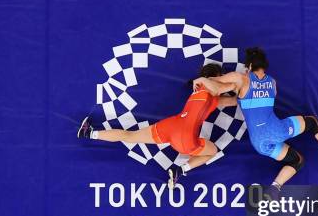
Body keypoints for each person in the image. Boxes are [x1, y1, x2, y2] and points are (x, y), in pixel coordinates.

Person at [194, 47, 318, 199]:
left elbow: (216, 87)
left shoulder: (240, 78)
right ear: (264, 65)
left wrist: (202, 81)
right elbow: (248, 99)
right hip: (276, 130)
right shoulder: (272, 83)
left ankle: (274, 190)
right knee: (312, 123)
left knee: (297, 159)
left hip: (259, 144)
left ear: (248, 66)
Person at [78, 64, 237, 188]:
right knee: (213, 151)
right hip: (185, 137)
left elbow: (233, 101)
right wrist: (244, 84)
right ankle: (180, 170)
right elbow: (230, 88)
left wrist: (203, 81)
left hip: (171, 125)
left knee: (130, 136)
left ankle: (89, 133)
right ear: (216, 76)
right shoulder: (212, 87)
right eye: (222, 76)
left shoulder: (202, 90)